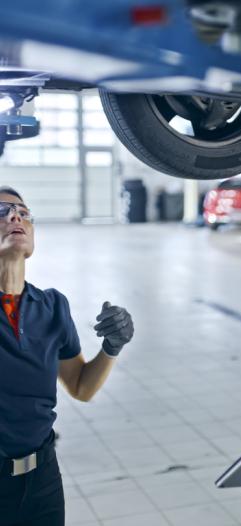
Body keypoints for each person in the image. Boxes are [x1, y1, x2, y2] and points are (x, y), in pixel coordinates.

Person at [0, 186, 134, 526]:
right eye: (2, 211)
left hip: (41, 477)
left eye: (23, 213)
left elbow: (81, 386)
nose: (16, 217)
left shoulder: (52, 306)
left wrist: (112, 346)